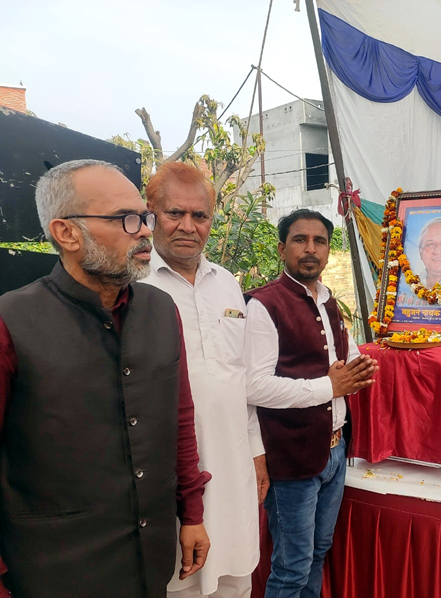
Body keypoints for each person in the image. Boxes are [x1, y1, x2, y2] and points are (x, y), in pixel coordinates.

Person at [0, 159, 211, 597]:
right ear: (67, 233)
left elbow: (179, 419)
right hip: (53, 569)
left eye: (145, 217)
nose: (145, 231)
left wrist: (191, 513)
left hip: (149, 560)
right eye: (125, 219)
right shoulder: (11, 322)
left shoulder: (160, 310)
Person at [141, 162, 265, 598]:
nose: (188, 227)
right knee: (178, 581)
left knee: (235, 575)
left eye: (201, 216)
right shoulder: (134, 284)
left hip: (233, 466)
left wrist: (256, 450)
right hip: (169, 474)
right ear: (150, 212)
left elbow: (240, 376)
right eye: (175, 213)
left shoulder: (227, 284)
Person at [244, 209, 379, 598]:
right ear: (282, 248)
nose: (311, 249)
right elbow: (254, 387)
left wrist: (360, 368)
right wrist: (330, 386)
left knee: (318, 553)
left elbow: (347, 359)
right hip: (292, 459)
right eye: (300, 240)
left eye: (319, 241)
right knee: (292, 566)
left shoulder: (329, 302)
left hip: (333, 452)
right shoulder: (264, 305)